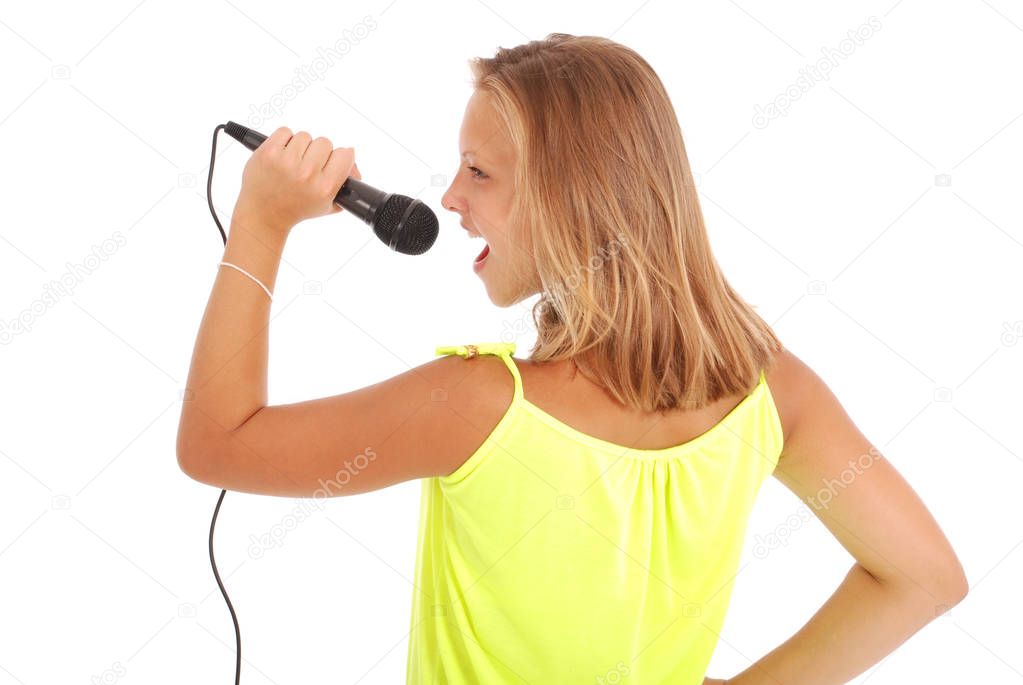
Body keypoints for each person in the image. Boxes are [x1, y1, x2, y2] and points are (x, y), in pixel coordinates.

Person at [176, 33, 968, 685]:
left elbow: (218, 442)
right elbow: (924, 576)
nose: (449, 196)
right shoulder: (774, 393)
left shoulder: (478, 405)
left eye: (479, 171)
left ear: (569, 199)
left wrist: (261, 220)